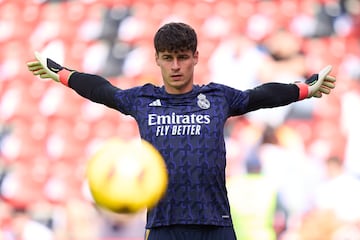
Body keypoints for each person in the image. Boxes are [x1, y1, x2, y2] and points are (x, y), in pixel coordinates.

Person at [27, 22, 336, 240]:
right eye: (168, 58)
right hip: (165, 226)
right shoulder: (143, 99)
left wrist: (304, 89)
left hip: (216, 225)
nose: (176, 66)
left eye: (183, 57)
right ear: (157, 60)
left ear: (195, 58)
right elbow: (102, 90)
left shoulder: (218, 97)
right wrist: (61, 73)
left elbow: (261, 96)